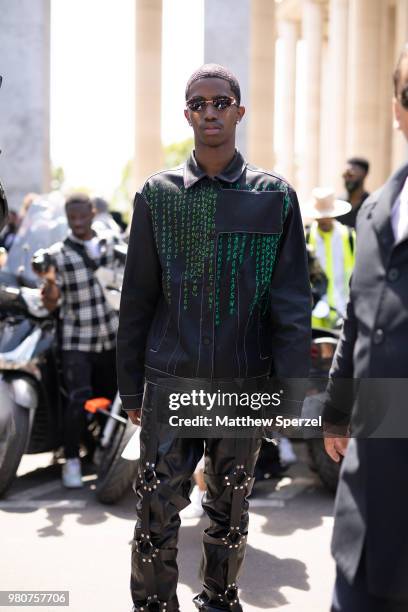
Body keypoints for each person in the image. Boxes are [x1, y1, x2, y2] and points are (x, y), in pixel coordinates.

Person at [117, 64, 311, 612]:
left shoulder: (275, 196)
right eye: (198, 103)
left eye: (221, 102)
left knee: (229, 517)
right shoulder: (158, 196)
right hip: (171, 383)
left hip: (243, 385)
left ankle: (219, 603)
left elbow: (292, 303)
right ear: (187, 114)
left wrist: (290, 394)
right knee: (155, 515)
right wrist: (132, 390)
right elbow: (137, 302)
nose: (210, 112)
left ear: (238, 112)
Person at [323, 44, 408, 612]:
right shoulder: (379, 208)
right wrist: (337, 407)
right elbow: (360, 316)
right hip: (371, 487)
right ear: (398, 109)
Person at [33, 193, 121, 488]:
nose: (79, 222)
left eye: (83, 216)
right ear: (67, 218)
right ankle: (71, 460)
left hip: (111, 336)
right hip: (76, 341)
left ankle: (104, 453)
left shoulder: (110, 244)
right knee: (78, 401)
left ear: (93, 212)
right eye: (73, 218)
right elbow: (50, 304)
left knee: (112, 400)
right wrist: (49, 283)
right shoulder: (57, 254)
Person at [305, 188, 354, 327]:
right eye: (320, 215)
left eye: (327, 215)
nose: (324, 219)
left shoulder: (349, 237)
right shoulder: (306, 237)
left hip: (343, 313)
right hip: (314, 315)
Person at [336, 157, 370, 228]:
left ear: (364, 174)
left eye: (351, 175)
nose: (347, 179)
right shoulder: (337, 205)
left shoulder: (371, 204)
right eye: (345, 176)